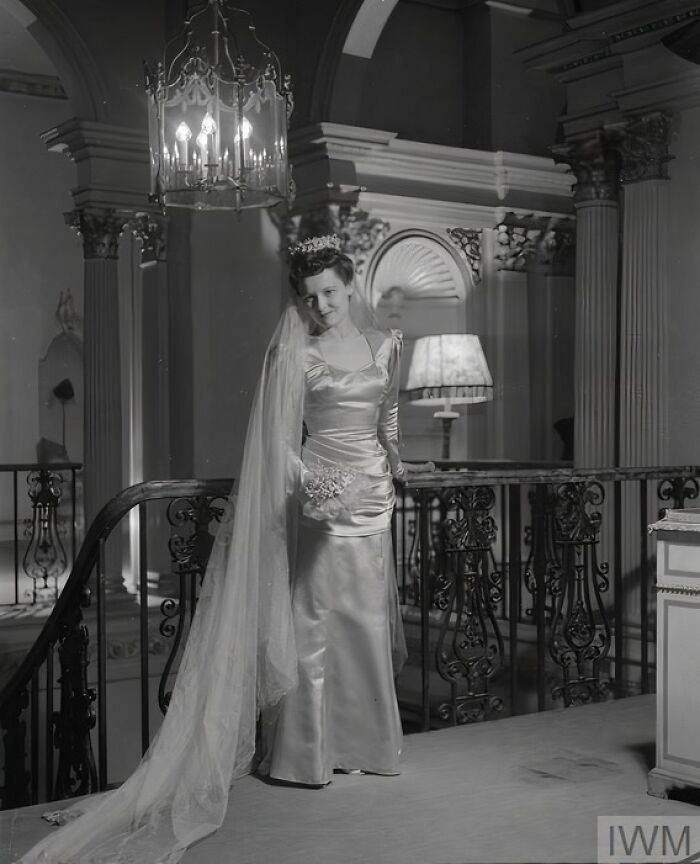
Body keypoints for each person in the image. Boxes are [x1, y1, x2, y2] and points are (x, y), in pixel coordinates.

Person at [17, 234, 431, 863]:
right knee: (313, 623)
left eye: (331, 293)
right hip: (320, 498)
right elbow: (275, 440)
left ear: (351, 287)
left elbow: (388, 414)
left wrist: (396, 462)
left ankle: (368, 747)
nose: (321, 306)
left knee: (368, 621)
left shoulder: (387, 345)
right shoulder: (300, 354)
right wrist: (309, 483)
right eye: (310, 296)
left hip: (374, 499)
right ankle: (306, 755)